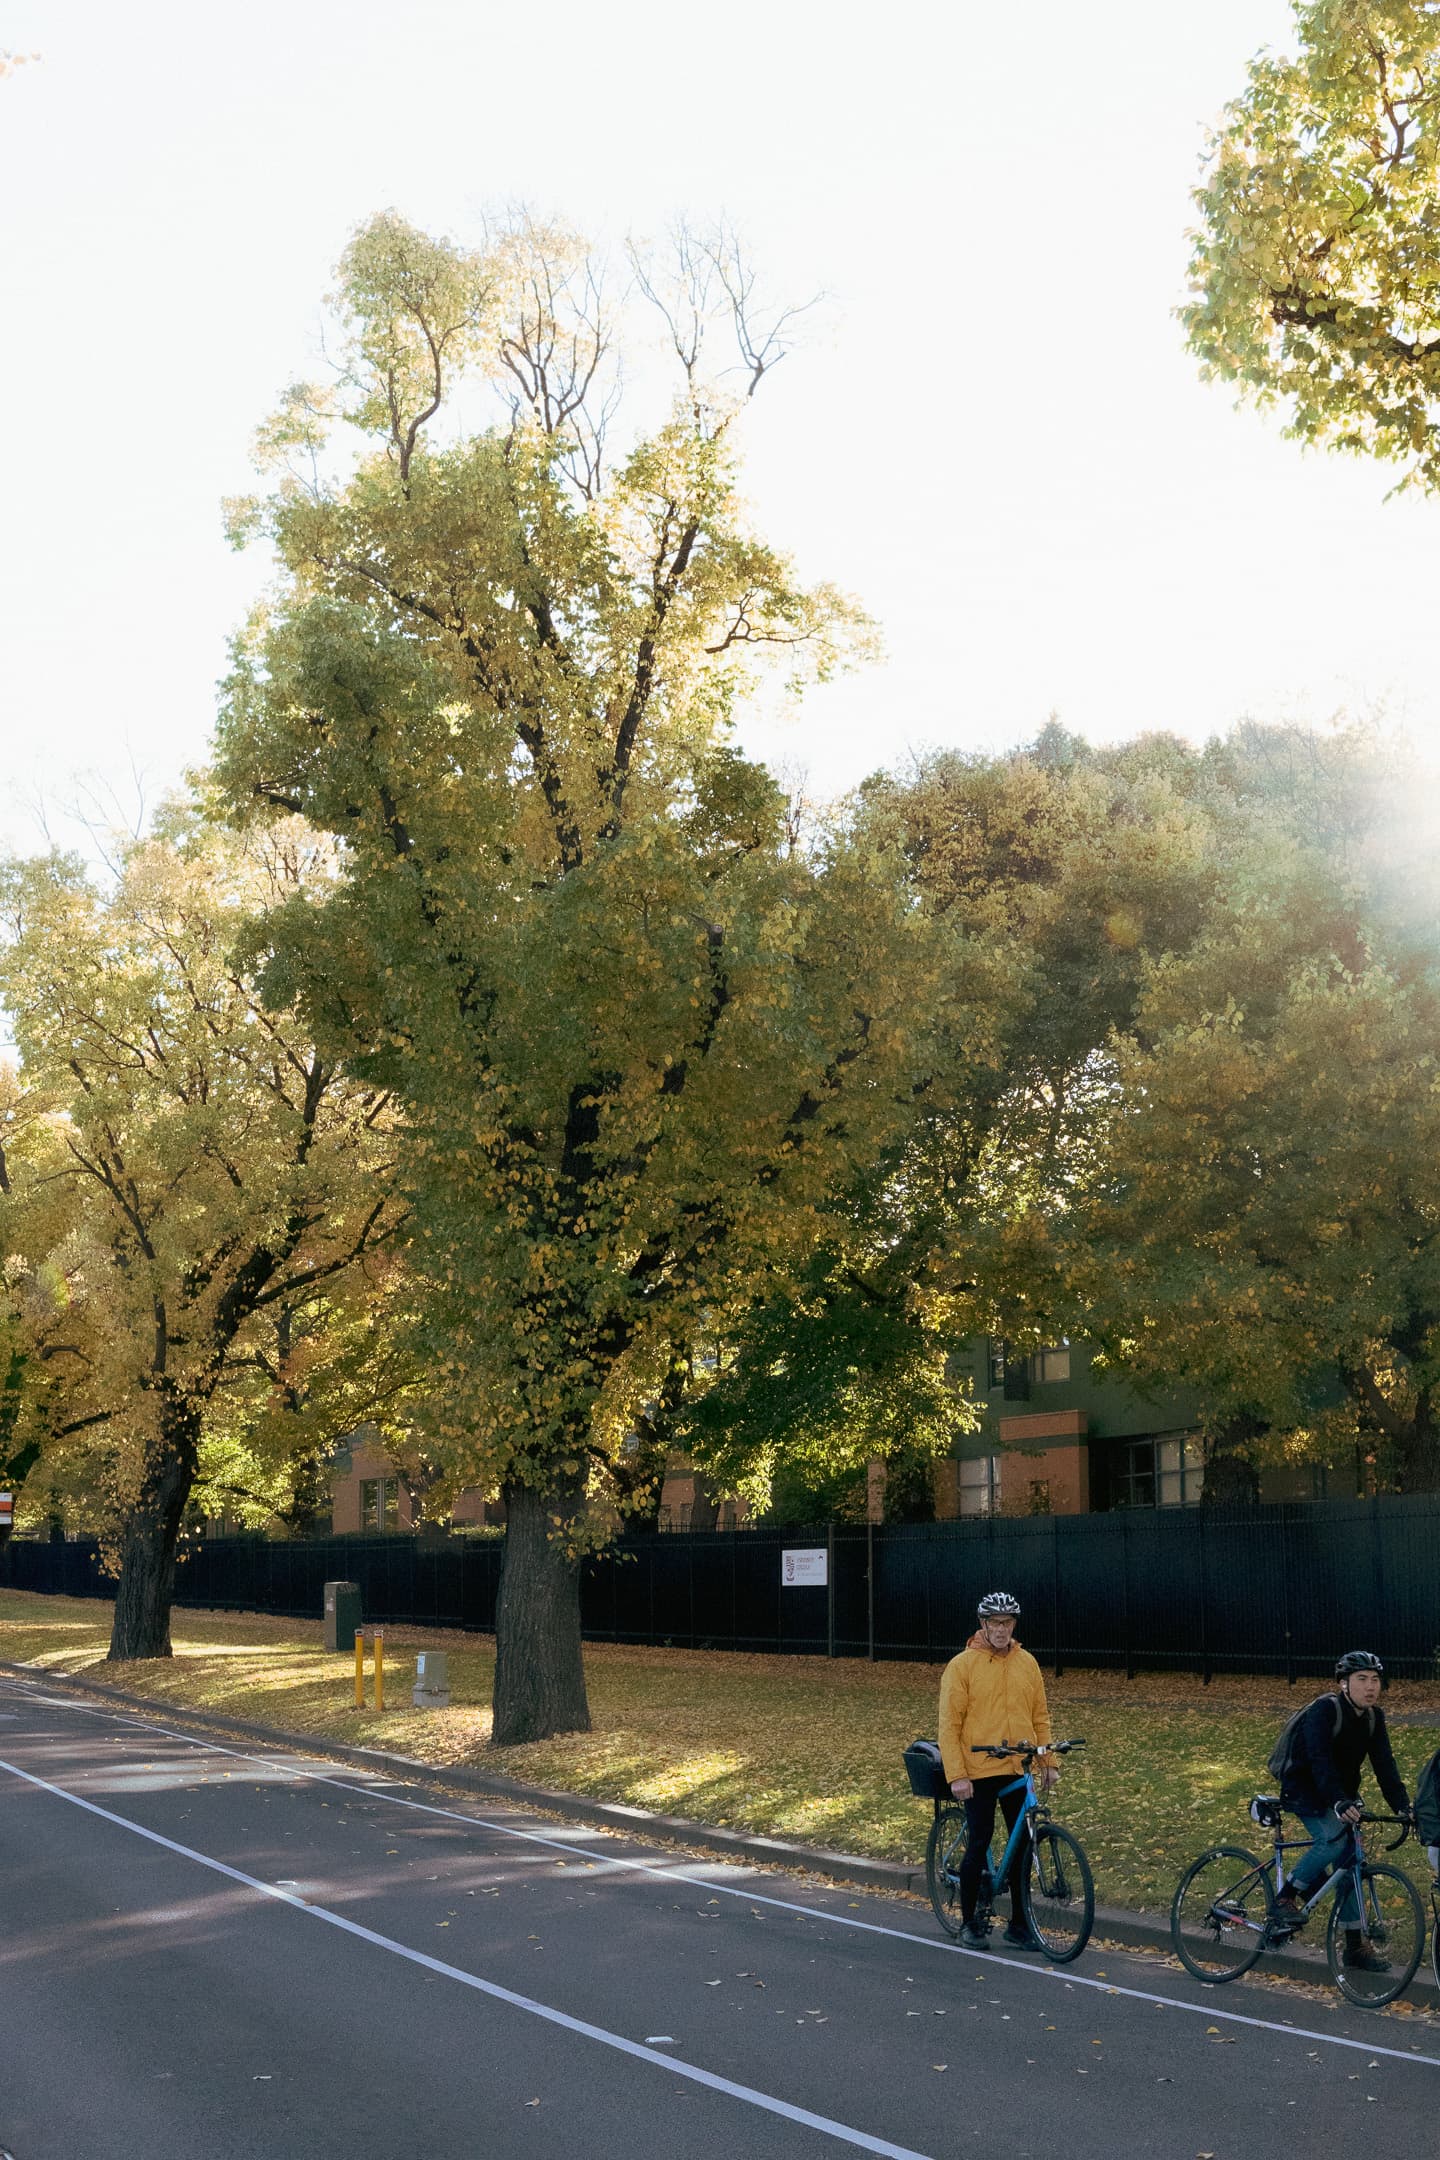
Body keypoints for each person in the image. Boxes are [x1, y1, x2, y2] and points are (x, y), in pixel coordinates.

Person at [1270, 1649, 1412, 1972]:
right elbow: (1319, 1761)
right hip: (1305, 1790)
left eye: (1375, 1680)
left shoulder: (1374, 1718)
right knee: (1332, 1840)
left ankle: (1354, 1948)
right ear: (1344, 1684)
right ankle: (1285, 1897)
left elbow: (1385, 1767)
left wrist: (1404, 1806)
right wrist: (1338, 1800)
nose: (1370, 1687)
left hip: (1339, 1796)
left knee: (1350, 1863)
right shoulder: (1325, 1710)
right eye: (1361, 1679)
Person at [938, 1590, 1056, 1952]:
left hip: (1016, 1766)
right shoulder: (962, 1666)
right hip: (978, 1769)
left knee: (1022, 1848)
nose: (1001, 1629)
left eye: (1007, 1623)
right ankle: (971, 1921)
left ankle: (1019, 1926)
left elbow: (1040, 1716)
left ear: (1014, 1625)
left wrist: (1048, 1761)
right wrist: (957, 1774)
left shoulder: (1027, 1663)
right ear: (982, 1625)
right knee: (980, 1839)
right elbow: (949, 1725)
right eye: (994, 1623)